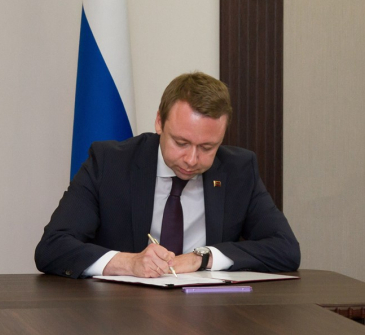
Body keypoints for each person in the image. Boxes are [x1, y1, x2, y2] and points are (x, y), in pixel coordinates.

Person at [35, 72, 300, 279]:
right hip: (121, 315)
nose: (192, 159)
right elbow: (52, 247)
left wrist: (202, 258)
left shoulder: (238, 170)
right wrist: (130, 263)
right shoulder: (109, 163)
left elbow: (285, 249)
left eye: (207, 147)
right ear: (159, 122)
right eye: (181, 143)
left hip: (210, 315)